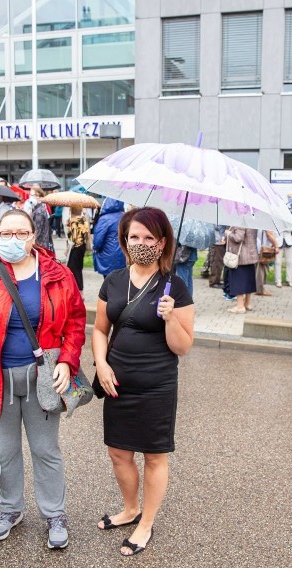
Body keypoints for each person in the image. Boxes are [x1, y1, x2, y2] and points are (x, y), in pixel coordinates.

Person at [0, 209, 86, 550]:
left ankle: (54, 514)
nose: (14, 239)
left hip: (42, 377)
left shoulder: (58, 274)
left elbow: (75, 320)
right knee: (5, 451)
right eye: (7, 233)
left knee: (46, 450)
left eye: (21, 233)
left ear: (33, 236)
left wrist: (68, 361)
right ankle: (10, 510)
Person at [92, 207, 194, 557]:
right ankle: (130, 508)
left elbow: (183, 346)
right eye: (134, 236)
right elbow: (100, 329)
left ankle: (146, 522)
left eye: (149, 238)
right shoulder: (113, 280)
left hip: (157, 385)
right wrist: (101, 364)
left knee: (153, 456)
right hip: (116, 381)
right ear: (125, 240)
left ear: (162, 242)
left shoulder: (175, 287)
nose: (141, 243)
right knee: (119, 452)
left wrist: (169, 318)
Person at [225, 226, 259, 314]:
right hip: (250, 255)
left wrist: (229, 234)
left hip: (240, 257)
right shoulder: (252, 221)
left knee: (238, 281)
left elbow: (238, 238)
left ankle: (240, 306)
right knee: (249, 281)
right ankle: (247, 303)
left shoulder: (240, 221)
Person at [92, 198, 126, 278]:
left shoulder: (104, 219)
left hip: (107, 255)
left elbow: (97, 241)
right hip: (123, 255)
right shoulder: (125, 217)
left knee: (108, 281)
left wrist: (96, 248)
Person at [65, 205, 89, 291]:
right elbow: (86, 233)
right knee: (79, 268)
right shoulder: (84, 219)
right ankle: (80, 289)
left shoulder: (73, 221)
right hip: (82, 246)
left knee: (72, 269)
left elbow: (73, 238)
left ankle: (75, 289)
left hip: (75, 247)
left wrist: (67, 249)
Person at [27, 186, 54, 253]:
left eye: (34, 195)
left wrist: (30, 242)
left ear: (40, 197)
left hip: (40, 245)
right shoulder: (37, 208)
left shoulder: (39, 211)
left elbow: (36, 230)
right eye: (30, 195)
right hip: (41, 244)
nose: (31, 197)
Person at [255, 230, 279, 296]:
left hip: (257, 247)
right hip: (263, 249)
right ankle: (260, 290)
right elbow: (269, 234)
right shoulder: (267, 221)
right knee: (262, 270)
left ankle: (257, 288)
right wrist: (276, 246)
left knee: (258, 270)